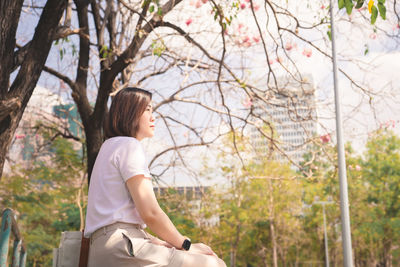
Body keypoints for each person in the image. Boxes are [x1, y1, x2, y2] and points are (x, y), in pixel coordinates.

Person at [84, 87, 226, 267]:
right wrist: (185, 244)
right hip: (122, 247)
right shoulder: (129, 146)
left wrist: (166, 243)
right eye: (148, 110)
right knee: (212, 263)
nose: (153, 117)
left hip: (106, 248)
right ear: (130, 113)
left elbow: (123, 221)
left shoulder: (108, 147)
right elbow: (150, 213)